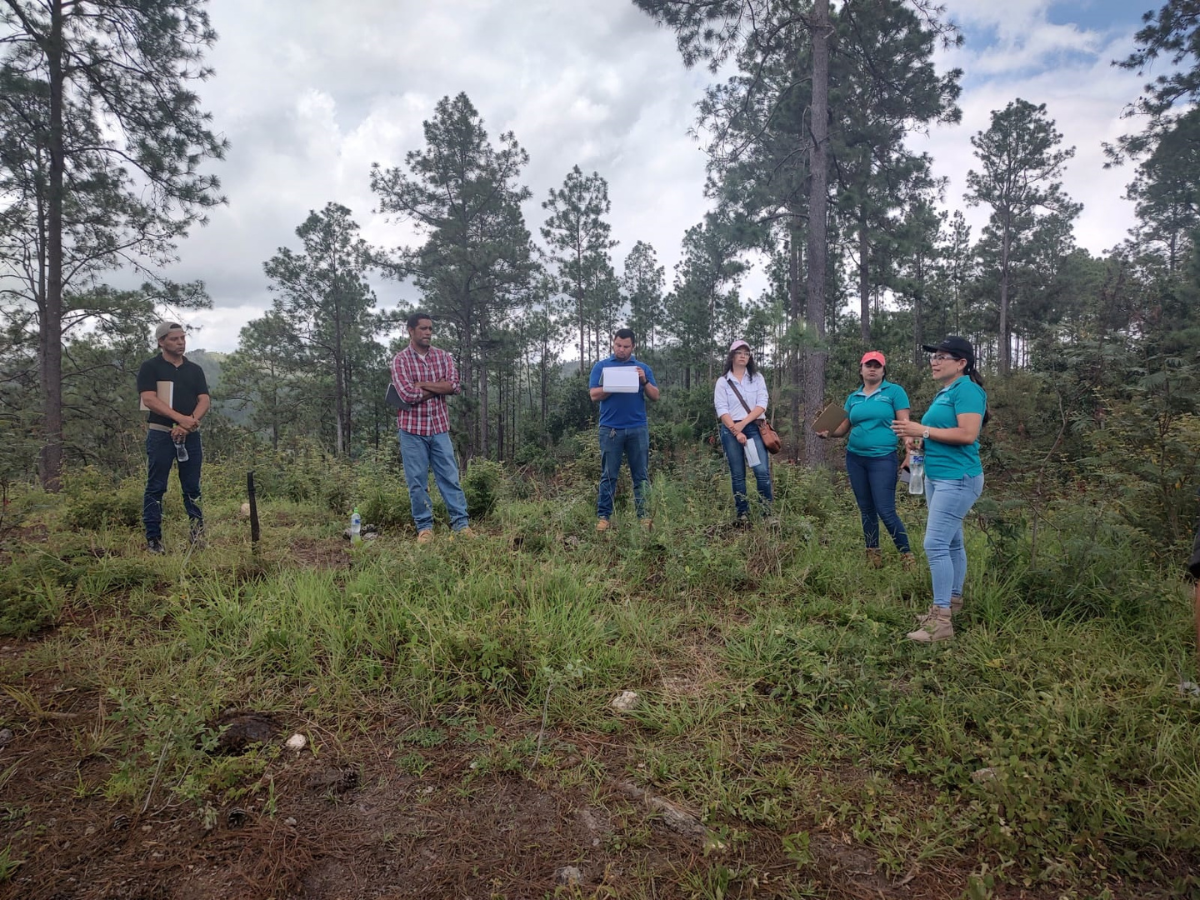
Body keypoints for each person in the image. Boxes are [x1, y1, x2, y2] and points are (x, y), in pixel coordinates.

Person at [891, 336, 988, 642]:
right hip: (937, 476)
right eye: (933, 357)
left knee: (934, 545)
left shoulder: (968, 390)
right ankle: (952, 603)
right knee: (952, 543)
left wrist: (922, 429)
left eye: (942, 357)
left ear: (961, 363)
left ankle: (941, 621)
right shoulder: (946, 391)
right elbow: (940, 433)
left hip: (957, 478)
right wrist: (917, 441)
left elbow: (968, 434)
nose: (934, 362)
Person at [818, 351, 914, 568]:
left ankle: (907, 557)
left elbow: (906, 426)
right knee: (866, 509)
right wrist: (827, 433)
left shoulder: (894, 392)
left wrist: (910, 454)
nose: (872, 369)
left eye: (877, 366)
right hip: (856, 459)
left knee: (885, 510)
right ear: (861, 370)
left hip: (883, 458)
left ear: (883, 370)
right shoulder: (854, 397)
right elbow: (843, 429)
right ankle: (873, 557)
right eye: (868, 365)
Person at [391, 312, 473, 544]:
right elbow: (407, 395)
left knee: (449, 477)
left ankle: (461, 524)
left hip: (439, 428)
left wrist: (423, 385)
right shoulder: (400, 360)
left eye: (430, 329)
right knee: (417, 482)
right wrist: (439, 387)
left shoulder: (443, 356)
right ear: (410, 330)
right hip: (412, 430)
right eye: (423, 328)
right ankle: (425, 528)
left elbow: (454, 386)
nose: (428, 332)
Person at [137, 322, 209, 554]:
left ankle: (197, 535)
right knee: (156, 486)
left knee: (192, 487)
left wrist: (188, 424)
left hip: (190, 436)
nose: (180, 343)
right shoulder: (151, 367)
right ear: (161, 342)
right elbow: (149, 399)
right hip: (160, 433)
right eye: (174, 339)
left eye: (182, 338)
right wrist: (180, 419)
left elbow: (204, 399)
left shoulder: (194, 369)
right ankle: (153, 539)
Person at [588, 327, 660, 532]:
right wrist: (613, 385)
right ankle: (604, 518)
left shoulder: (642, 368)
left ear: (633, 346)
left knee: (641, 475)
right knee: (608, 475)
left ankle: (644, 517)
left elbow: (655, 396)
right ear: (613, 343)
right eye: (618, 345)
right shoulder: (602, 367)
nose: (621, 349)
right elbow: (593, 395)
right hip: (610, 429)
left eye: (626, 346)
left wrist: (644, 381)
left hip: (637, 429)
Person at [714, 339, 773, 525]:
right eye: (739, 353)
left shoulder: (757, 378)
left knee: (761, 471)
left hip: (753, 428)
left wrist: (743, 425)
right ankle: (742, 514)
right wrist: (735, 430)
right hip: (731, 431)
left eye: (746, 353)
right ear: (732, 356)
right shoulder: (723, 382)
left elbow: (762, 404)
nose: (743, 356)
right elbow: (722, 409)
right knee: (738, 474)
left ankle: (767, 514)